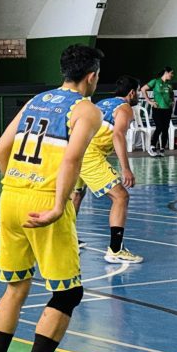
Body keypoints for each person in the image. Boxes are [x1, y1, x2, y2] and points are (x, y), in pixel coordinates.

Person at [0, 44, 104, 352]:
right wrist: (53, 205)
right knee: (68, 293)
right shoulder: (87, 111)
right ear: (92, 76)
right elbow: (71, 161)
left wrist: (18, 183)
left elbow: (0, 150)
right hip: (43, 202)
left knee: (16, 286)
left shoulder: (37, 100)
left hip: (10, 195)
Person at [71, 76, 143, 263]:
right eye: (138, 92)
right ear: (132, 93)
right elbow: (118, 135)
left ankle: (68, 239)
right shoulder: (125, 108)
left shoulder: (103, 103)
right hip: (90, 155)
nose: (139, 96)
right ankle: (115, 249)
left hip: (77, 150)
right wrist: (126, 168)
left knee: (77, 194)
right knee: (121, 196)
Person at [140, 67, 175, 156]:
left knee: (165, 129)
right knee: (159, 127)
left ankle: (162, 149)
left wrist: (172, 101)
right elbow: (143, 89)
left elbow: (172, 94)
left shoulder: (169, 85)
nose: (172, 75)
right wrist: (149, 101)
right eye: (171, 73)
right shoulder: (155, 81)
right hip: (157, 109)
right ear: (166, 73)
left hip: (167, 110)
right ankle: (152, 146)